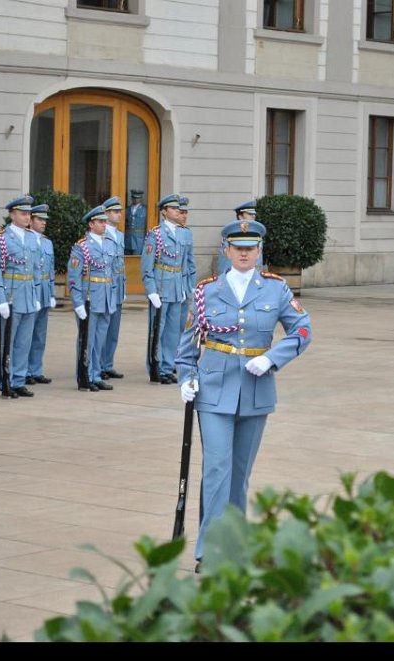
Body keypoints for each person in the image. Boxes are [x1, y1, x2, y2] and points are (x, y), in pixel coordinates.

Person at [177, 218, 311, 568]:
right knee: (217, 468)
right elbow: (189, 342)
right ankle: (210, 549)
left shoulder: (275, 289)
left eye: (250, 248)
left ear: (259, 251)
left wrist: (271, 358)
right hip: (214, 387)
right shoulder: (207, 290)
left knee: (240, 472)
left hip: (255, 388)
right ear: (226, 250)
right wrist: (186, 376)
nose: (244, 254)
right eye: (238, 248)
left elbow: (302, 331)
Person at [0, 195, 42, 398]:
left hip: (27, 294)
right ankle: (5, 380)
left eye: (28, 213)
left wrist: (36, 293)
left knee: (24, 341)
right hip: (10, 294)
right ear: (12, 215)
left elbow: (35, 269)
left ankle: (18, 380)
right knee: (8, 341)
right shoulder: (0, 239)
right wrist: (0, 299)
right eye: (23, 213)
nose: (27, 217)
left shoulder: (31, 237)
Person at [141, 193, 196, 384]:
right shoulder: (155, 234)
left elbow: (189, 264)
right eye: (172, 208)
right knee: (158, 330)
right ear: (164, 212)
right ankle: (155, 366)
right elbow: (147, 266)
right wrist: (151, 290)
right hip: (162, 286)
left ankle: (168, 366)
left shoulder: (184, 233)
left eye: (177, 208)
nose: (177, 211)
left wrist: (191, 288)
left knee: (174, 329)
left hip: (179, 287)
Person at [67, 205, 117, 391]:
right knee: (87, 340)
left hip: (105, 299)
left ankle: (95, 375)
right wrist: (78, 303)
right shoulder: (82, 247)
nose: (104, 224)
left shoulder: (109, 244)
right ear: (91, 223)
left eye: (105, 221)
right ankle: (84, 375)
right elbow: (74, 277)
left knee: (100, 340)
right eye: (100, 221)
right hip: (90, 299)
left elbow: (111, 273)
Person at [27, 203, 57, 385]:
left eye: (45, 220)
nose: (43, 223)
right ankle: (24, 371)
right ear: (30, 221)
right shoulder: (27, 239)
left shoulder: (47, 242)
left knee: (40, 334)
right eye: (39, 219)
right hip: (30, 289)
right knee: (26, 334)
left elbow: (50, 270)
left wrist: (52, 293)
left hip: (44, 290)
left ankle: (35, 369)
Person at [100, 195, 126, 380]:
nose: (119, 215)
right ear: (106, 213)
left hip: (118, 287)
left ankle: (108, 364)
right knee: (103, 327)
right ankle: (99, 365)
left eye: (119, 212)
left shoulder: (120, 235)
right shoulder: (102, 233)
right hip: (106, 286)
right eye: (115, 212)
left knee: (114, 329)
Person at [216, 200, 262, 275]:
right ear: (240, 216)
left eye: (254, 214)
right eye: (250, 214)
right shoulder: (231, 235)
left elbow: (258, 262)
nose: (253, 216)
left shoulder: (257, 234)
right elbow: (225, 262)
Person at [125, 189, 146, 255]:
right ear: (131, 198)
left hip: (139, 238)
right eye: (134, 198)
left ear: (141, 199)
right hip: (128, 237)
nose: (136, 200)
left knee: (137, 258)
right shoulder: (127, 209)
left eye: (138, 198)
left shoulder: (144, 210)